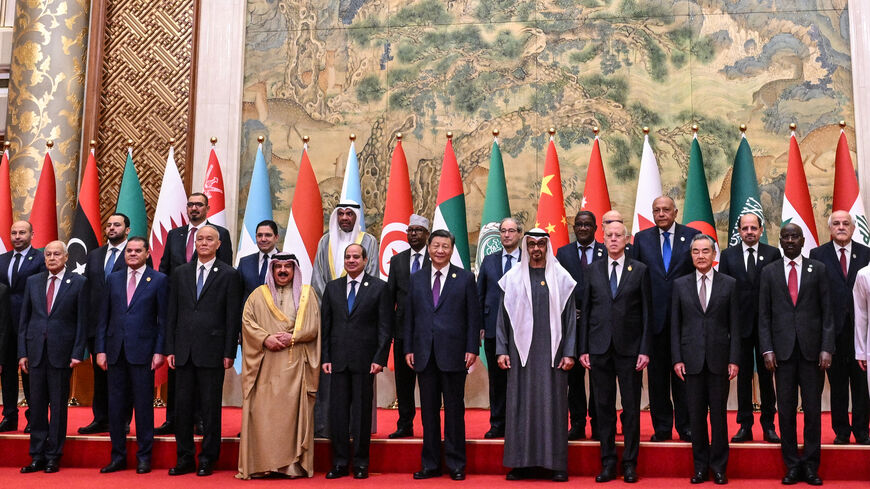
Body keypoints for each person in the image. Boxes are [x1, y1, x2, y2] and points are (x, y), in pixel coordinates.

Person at [497, 229, 576, 482]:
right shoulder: (511, 279)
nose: (536, 249)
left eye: (541, 244)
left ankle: (556, 464)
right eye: (531, 245)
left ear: (547, 246)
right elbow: (502, 319)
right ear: (525, 247)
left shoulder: (562, 278)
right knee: (520, 405)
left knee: (552, 406)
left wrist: (570, 352)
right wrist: (500, 349)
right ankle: (520, 463)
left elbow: (571, 320)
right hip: (521, 356)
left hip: (553, 355)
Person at [758, 223, 833, 486]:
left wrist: (827, 347)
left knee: (812, 411)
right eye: (786, 237)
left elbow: (827, 314)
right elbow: (764, 315)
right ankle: (791, 465)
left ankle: (811, 466)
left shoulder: (819, 270)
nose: (790, 240)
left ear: (803, 241)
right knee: (786, 411)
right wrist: (767, 349)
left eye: (795, 236)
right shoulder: (769, 272)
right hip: (782, 354)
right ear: (780, 241)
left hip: (813, 354)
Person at [404, 229, 481, 481]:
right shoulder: (416, 278)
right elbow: (410, 317)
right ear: (428, 247)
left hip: (455, 354)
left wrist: (472, 348)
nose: (440, 250)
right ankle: (431, 464)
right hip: (424, 354)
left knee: (454, 411)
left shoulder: (465, 278)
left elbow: (473, 317)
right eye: (435, 245)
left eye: (445, 246)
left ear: (451, 249)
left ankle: (457, 463)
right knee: (428, 412)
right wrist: (409, 348)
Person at [165, 225, 241, 476]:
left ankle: (209, 457)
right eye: (200, 239)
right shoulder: (181, 272)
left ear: (219, 244)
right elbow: (172, 313)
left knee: (210, 409)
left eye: (210, 239)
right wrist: (170, 348)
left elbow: (232, 317)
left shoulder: (229, 274)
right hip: (183, 351)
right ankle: (184, 457)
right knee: (183, 407)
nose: (204, 243)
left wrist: (229, 351)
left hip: (213, 351)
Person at [237, 254, 321, 479]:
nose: (283, 271)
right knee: (264, 417)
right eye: (279, 267)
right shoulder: (257, 295)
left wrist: (292, 337)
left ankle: (291, 466)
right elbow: (247, 323)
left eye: (287, 267)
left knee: (291, 418)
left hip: (295, 367)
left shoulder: (307, 294)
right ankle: (263, 464)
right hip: (265, 366)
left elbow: (313, 327)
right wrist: (265, 339)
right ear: (272, 270)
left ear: (295, 270)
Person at [156, 192, 233, 436]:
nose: (194, 208)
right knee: (178, 381)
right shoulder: (174, 235)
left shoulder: (221, 234)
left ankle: (200, 420)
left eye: (199, 204)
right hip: (181, 314)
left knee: (204, 386)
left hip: (209, 325)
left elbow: (226, 276)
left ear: (207, 209)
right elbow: (165, 271)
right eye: (190, 204)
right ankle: (173, 419)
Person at [580, 221, 651, 484]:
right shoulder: (592, 270)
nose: (613, 239)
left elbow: (646, 313)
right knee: (603, 408)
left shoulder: (640, 270)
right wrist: (584, 348)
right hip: (599, 349)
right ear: (603, 238)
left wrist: (645, 349)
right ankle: (608, 462)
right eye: (608, 235)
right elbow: (586, 312)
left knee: (631, 409)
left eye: (618, 236)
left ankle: (630, 464)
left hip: (630, 350)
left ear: (627, 239)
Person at [671, 234, 740, 485]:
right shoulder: (680, 285)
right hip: (690, 362)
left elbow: (735, 324)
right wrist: (677, 358)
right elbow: (675, 326)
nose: (701, 256)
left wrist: (734, 359)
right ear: (691, 256)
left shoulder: (729, 284)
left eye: (705, 251)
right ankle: (700, 467)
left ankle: (719, 467)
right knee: (696, 417)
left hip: (720, 360)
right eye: (696, 251)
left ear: (714, 255)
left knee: (719, 417)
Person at [629, 196, 699, 442]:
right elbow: (636, 278)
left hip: (685, 321)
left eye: (665, 210)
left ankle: (686, 425)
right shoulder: (642, 239)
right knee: (657, 379)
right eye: (656, 210)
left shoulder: (692, 236)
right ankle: (662, 427)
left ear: (675, 212)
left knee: (683, 377)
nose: (661, 214)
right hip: (654, 321)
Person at [95, 237, 167, 474]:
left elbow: (163, 322)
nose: (133, 254)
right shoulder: (113, 279)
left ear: (147, 253)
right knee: (115, 407)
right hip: (115, 353)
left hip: (144, 354)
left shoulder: (158, 280)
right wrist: (101, 349)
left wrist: (159, 351)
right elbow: (103, 318)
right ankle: (117, 457)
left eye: (138, 251)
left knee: (144, 408)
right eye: (129, 251)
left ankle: (144, 457)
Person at [321, 244, 391, 479]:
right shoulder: (332, 288)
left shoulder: (380, 288)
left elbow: (384, 327)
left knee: (361, 415)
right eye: (347, 257)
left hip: (365, 361)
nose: (351, 260)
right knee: (338, 414)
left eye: (355, 257)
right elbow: (326, 326)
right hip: (338, 361)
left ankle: (361, 463)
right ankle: (339, 462)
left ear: (365, 260)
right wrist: (326, 358)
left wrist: (379, 358)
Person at [311, 200, 378, 437]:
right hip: (331, 321)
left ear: (356, 217)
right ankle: (325, 427)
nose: (345, 218)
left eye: (350, 214)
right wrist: (331, 304)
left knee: (360, 388)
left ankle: (358, 431)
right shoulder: (324, 241)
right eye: (341, 214)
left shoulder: (368, 241)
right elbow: (317, 277)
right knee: (331, 378)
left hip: (361, 324)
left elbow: (372, 278)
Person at [18, 241, 87, 473]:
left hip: (62, 354)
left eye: (57, 254)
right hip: (35, 352)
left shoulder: (78, 283)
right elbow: (24, 321)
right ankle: (36, 455)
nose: (52, 258)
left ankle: (53, 455)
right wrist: (22, 353)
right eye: (48, 254)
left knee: (58, 407)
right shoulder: (33, 282)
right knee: (36, 406)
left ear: (66, 257)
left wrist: (78, 352)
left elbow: (81, 322)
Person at [718, 213, 781, 443]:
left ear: (761, 230)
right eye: (745, 228)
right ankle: (744, 425)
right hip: (738, 327)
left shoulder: (772, 253)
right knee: (742, 377)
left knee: (766, 377)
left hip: (767, 326)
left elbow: (777, 290)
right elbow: (723, 292)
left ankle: (769, 425)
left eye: (753, 228)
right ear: (739, 231)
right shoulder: (728, 255)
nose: (749, 232)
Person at [809, 210, 870, 445]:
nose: (841, 227)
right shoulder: (818, 254)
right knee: (837, 385)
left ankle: (862, 430)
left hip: (861, 332)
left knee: (861, 384)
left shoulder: (866, 254)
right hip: (832, 333)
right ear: (830, 228)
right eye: (836, 223)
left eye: (846, 223)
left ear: (853, 228)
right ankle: (841, 431)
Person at [79, 213, 133, 435]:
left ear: (127, 230)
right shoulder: (95, 255)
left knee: (123, 376)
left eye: (117, 225)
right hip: (97, 325)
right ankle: (100, 418)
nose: (112, 228)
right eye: (109, 225)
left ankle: (121, 420)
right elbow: (89, 290)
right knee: (100, 375)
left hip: (123, 325)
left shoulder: (134, 253)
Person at [556, 210, 605, 440]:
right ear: (573, 228)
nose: (583, 228)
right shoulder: (563, 253)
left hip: (598, 324)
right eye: (579, 225)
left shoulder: (606, 252)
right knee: (573, 377)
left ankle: (598, 422)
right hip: (572, 324)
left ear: (596, 228)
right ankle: (576, 423)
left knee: (598, 377)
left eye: (588, 224)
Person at [477, 216, 521, 439]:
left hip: (522, 331)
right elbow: (480, 294)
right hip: (494, 328)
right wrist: (480, 326)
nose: (506, 235)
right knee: (497, 381)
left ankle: (519, 424)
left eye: (511, 231)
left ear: (519, 234)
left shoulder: (528, 259)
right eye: (503, 231)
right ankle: (498, 423)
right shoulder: (489, 261)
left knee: (520, 380)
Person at [385, 214, 429, 439]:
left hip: (430, 333)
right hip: (403, 332)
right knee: (403, 383)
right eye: (410, 230)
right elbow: (390, 296)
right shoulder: (398, 260)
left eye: (418, 230)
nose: (413, 234)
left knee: (429, 382)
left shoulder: (436, 258)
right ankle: (405, 424)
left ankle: (430, 426)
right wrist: (390, 330)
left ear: (427, 235)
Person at [0, 220, 45, 433]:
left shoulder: (40, 259)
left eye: (22, 233)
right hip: (4, 325)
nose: (17, 236)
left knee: (30, 372)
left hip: (29, 323)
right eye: (14, 233)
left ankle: (33, 417)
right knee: (7, 372)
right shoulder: (2, 260)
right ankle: (9, 416)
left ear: (31, 234)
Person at [237, 219, 280, 301]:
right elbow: (237, 294)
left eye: (268, 235)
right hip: (249, 312)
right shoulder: (245, 262)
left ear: (276, 237)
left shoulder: (286, 262)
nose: (263, 239)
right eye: (259, 235)